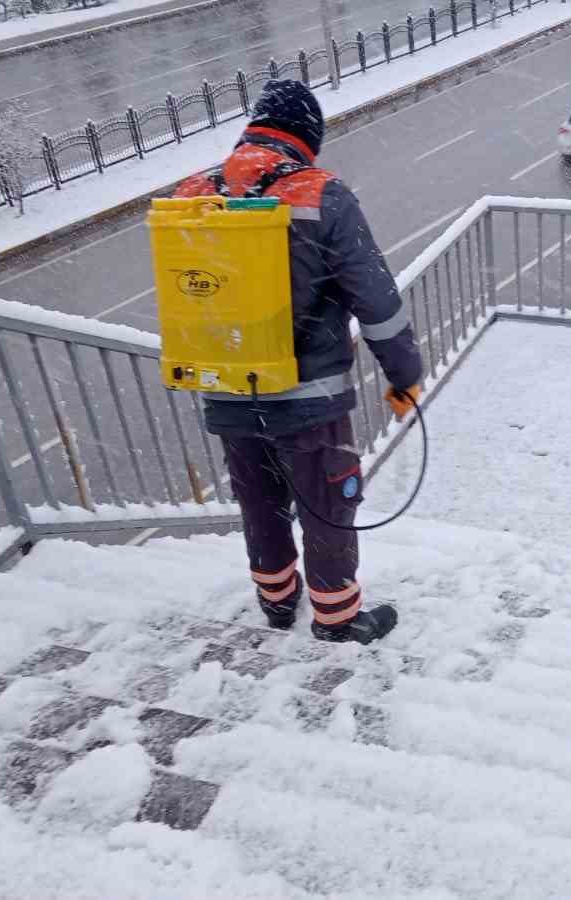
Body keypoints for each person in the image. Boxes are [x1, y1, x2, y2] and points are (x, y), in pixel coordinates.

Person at [173, 79, 423, 645]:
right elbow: (377, 303)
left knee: (260, 502)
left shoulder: (193, 192)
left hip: (229, 388)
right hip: (310, 399)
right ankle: (336, 618)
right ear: (308, 137)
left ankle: (277, 602)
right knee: (328, 504)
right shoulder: (321, 194)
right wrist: (404, 374)